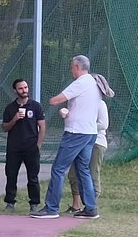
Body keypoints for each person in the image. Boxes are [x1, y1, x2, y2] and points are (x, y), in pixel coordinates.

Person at [33, 55, 101, 220]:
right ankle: (91, 208)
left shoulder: (81, 82)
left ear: (77, 66)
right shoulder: (94, 83)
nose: (71, 70)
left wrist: (52, 100)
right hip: (89, 132)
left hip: (76, 132)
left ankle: (51, 208)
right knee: (83, 169)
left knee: (58, 168)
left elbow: (58, 99)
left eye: (72, 67)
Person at [1, 79, 46, 213]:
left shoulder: (36, 106)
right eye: (20, 88)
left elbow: (42, 126)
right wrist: (14, 119)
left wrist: (38, 145)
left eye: (25, 87)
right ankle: (10, 202)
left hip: (31, 147)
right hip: (14, 147)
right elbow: (4, 127)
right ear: (15, 90)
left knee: (33, 177)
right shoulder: (10, 108)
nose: (24, 90)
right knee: (11, 175)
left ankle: (34, 204)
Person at [66, 96, 109, 213]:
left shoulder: (100, 104)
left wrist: (85, 126)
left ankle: (90, 207)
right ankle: (76, 206)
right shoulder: (80, 104)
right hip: (79, 142)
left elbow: (104, 124)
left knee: (92, 173)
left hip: (96, 142)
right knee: (73, 174)